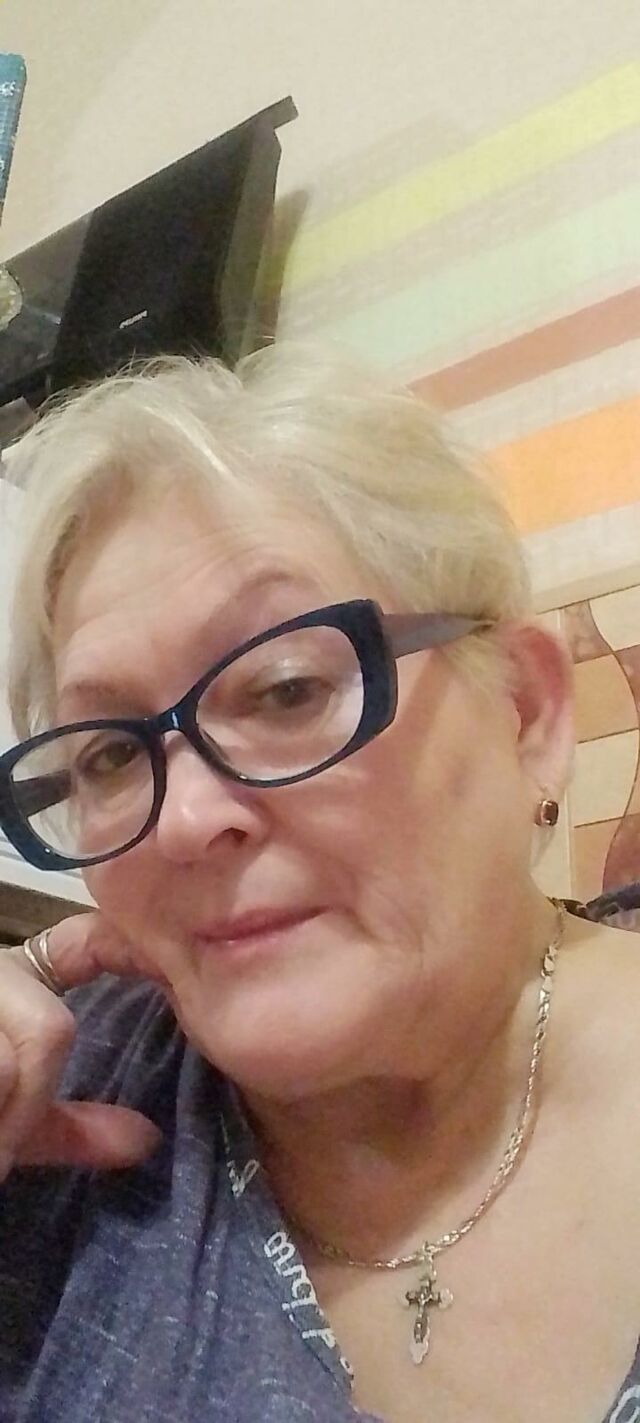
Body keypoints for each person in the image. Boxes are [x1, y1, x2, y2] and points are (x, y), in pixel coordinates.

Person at [0, 346, 638, 1423]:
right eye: (110, 754)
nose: (186, 819)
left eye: (287, 689)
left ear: (524, 713)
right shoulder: (54, 1118)